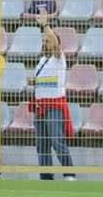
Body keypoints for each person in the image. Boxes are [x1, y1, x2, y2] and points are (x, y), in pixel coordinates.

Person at [32, 13, 75, 181]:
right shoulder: (42, 60)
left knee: (57, 141)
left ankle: (69, 173)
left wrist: (45, 26)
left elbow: (56, 45)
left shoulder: (59, 58)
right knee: (41, 144)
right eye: (44, 40)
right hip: (40, 106)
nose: (45, 42)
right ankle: (46, 175)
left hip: (54, 106)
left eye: (47, 40)